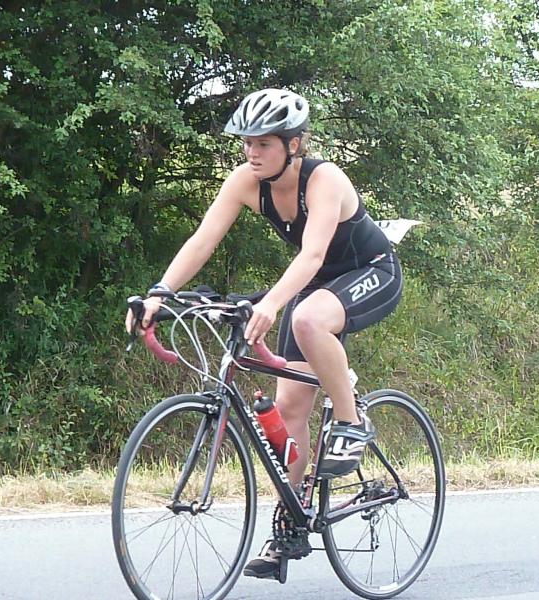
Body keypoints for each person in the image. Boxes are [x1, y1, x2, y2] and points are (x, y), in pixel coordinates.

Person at [125, 88, 403, 578]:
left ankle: (351, 421)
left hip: (372, 271)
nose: (252, 152)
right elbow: (203, 240)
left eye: (264, 144)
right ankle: (292, 527)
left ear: (294, 144)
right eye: (247, 143)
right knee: (289, 410)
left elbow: (312, 255)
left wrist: (272, 303)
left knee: (306, 318)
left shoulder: (324, 179)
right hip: (314, 286)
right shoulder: (245, 181)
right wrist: (160, 293)